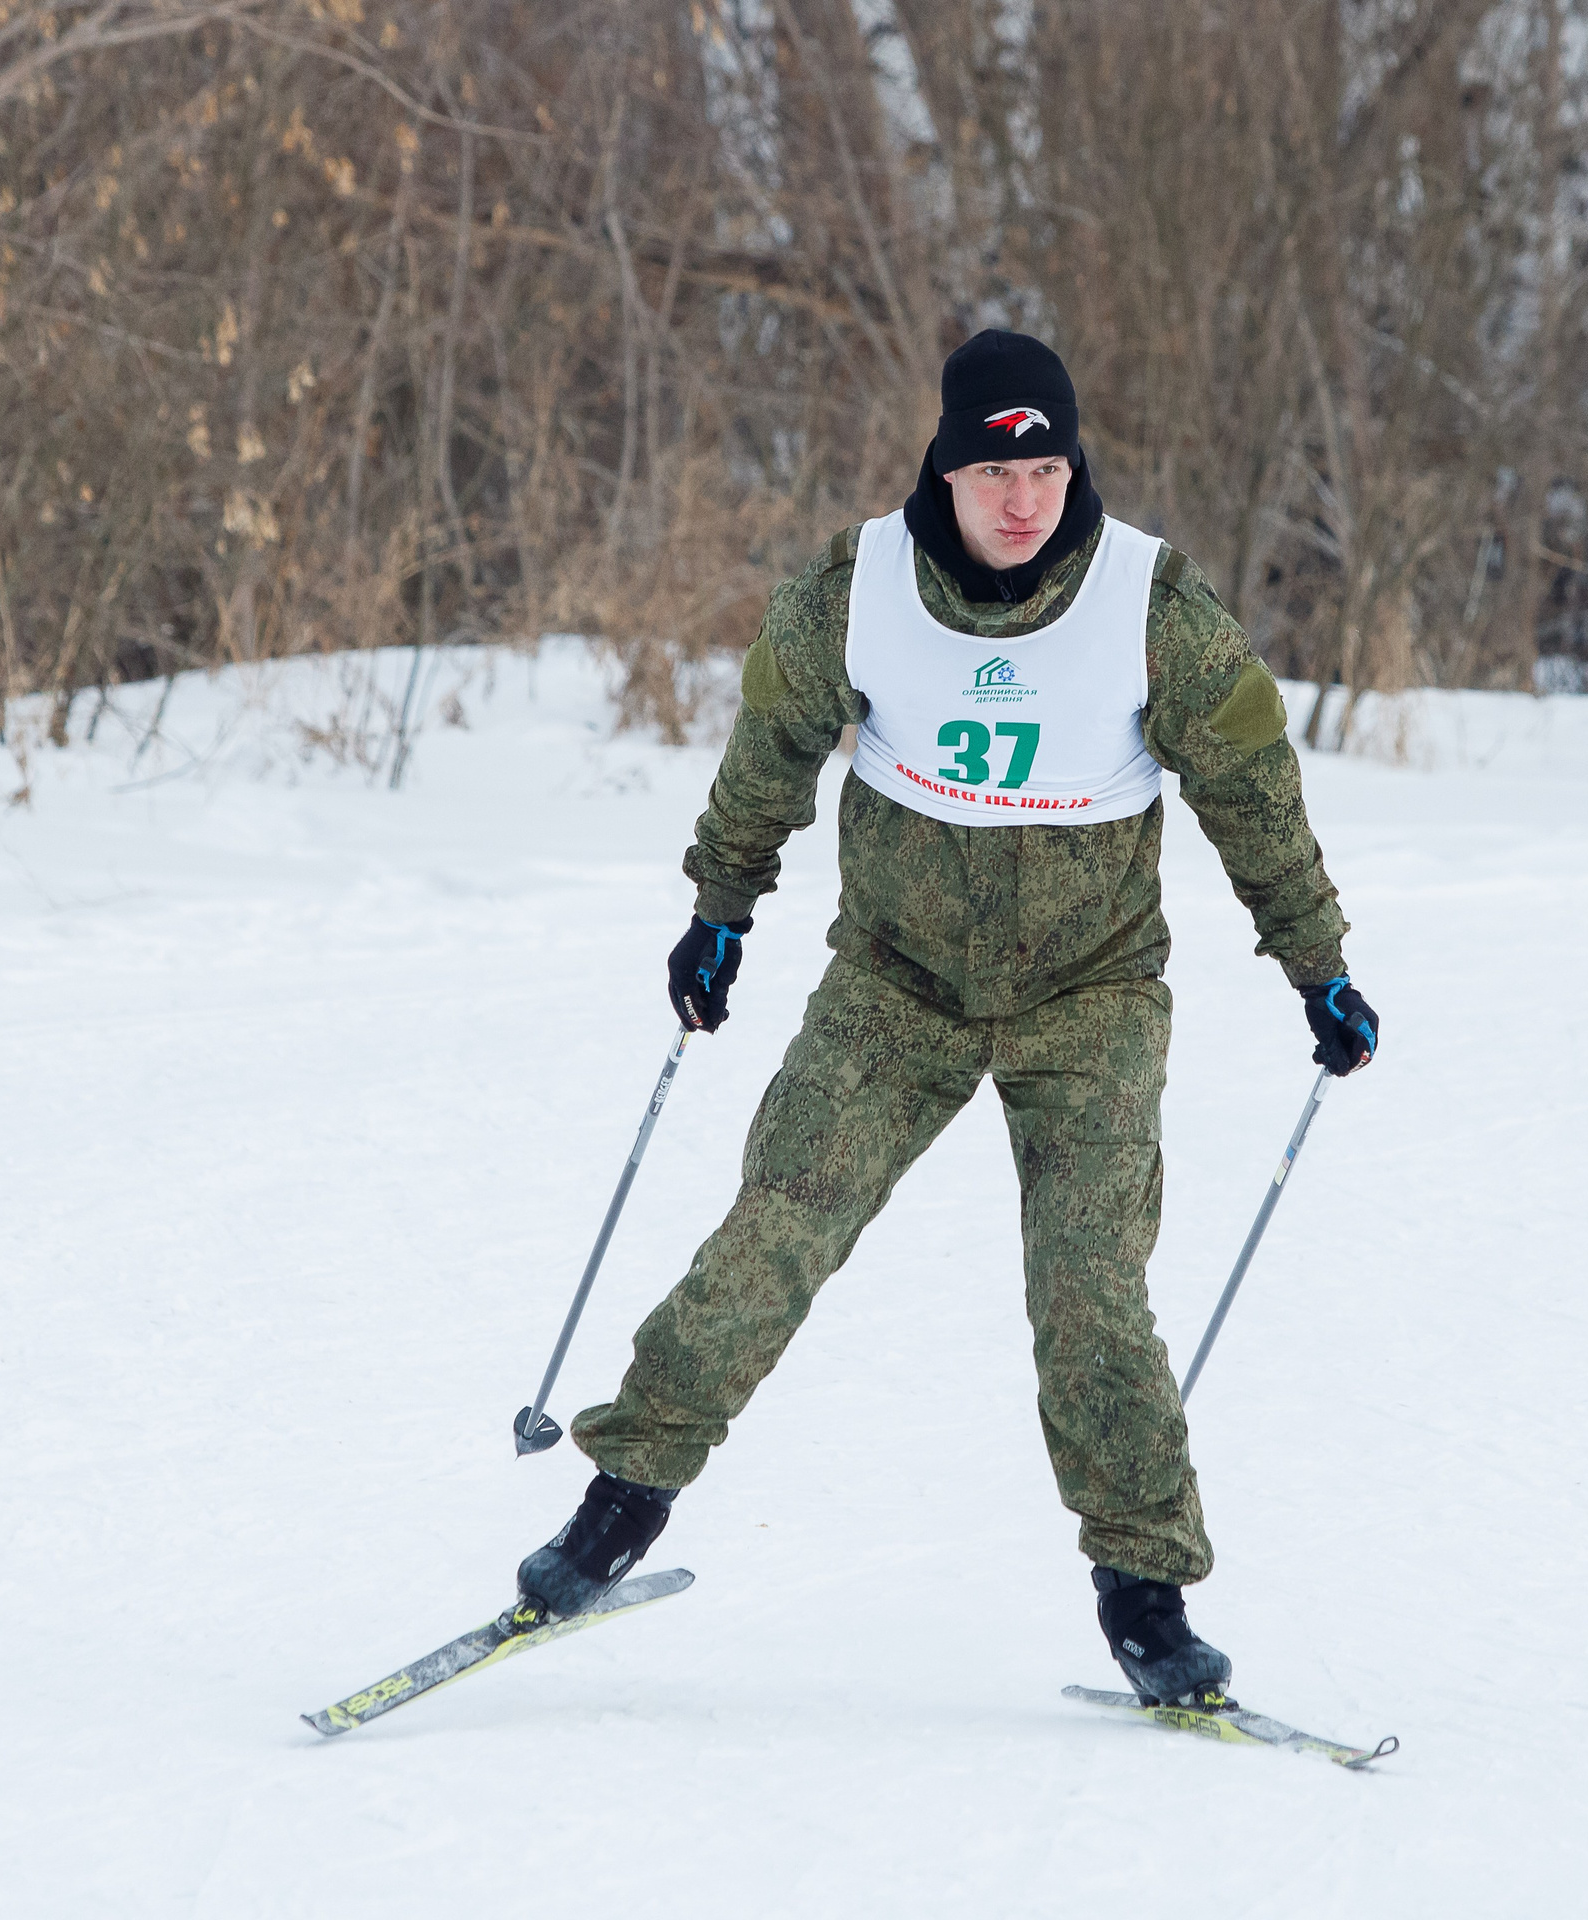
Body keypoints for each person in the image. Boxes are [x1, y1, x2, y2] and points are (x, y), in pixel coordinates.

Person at [518, 329, 1377, 1705]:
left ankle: (1145, 1597)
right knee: (776, 1222)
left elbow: (1253, 789)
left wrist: (1314, 959)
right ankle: (622, 1502)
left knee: (1091, 1284)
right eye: (993, 468)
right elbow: (769, 749)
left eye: (1044, 466)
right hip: (895, 985)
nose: (1022, 497)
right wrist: (722, 906)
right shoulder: (853, 591)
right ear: (949, 466)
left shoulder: (1155, 601)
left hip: (1086, 996)